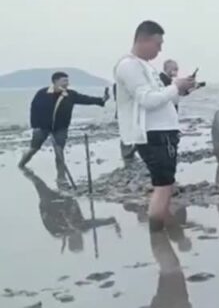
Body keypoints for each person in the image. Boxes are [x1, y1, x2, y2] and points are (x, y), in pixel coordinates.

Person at [114, 21, 195, 226]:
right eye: (158, 44)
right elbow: (147, 100)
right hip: (153, 134)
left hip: (164, 133)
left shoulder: (146, 67)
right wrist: (175, 86)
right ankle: (159, 240)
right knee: (162, 186)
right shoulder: (128, 66)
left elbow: (164, 97)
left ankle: (162, 232)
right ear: (143, 39)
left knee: (166, 185)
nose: (160, 49)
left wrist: (181, 89)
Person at [18, 71, 109, 171]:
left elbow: (86, 99)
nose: (66, 83)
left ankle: (61, 178)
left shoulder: (70, 94)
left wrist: (102, 100)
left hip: (61, 128)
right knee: (33, 149)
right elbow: (34, 109)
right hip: (42, 127)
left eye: (67, 81)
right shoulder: (42, 93)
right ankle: (21, 166)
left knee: (59, 152)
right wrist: (35, 126)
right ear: (55, 81)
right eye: (64, 81)